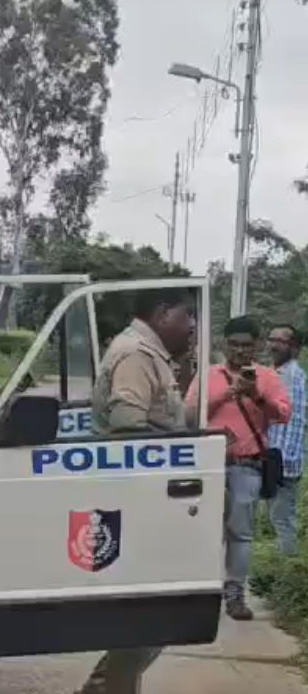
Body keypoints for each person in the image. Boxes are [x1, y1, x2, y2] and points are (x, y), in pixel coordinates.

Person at [77, 287, 195, 694]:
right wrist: (184, 442)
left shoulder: (151, 354)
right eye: (187, 315)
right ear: (163, 313)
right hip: (134, 500)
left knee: (149, 618)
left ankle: (105, 687)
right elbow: (128, 422)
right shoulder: (137, 355)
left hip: (145, 499)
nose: (193, 325)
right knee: (150, 616)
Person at [185, 315, 290, 620]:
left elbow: (284, 414)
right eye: (234, 345)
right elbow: (190, 417)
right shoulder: (209, 376)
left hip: (247, 466)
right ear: (224, 344)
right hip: (208, 466)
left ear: (256, 345)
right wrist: (226, 395)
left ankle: (235, 594)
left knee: (240, 533)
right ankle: (200, 591)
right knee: (204, 530)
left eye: (247, 345)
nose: (240, 351)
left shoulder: (268, 377)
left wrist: (256, 394)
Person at [265, 324, 305, 555]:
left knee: (282, 520)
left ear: (295, 348)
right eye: (272, 339)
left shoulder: (292, 376)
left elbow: (291, 420)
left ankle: (287, 572)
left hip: (283, 462)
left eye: (282, 341)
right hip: (273, 459)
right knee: (276, 518)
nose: (274, 345)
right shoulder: (275, 373)